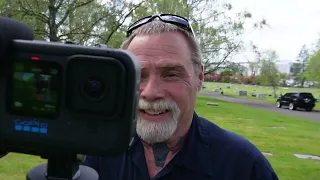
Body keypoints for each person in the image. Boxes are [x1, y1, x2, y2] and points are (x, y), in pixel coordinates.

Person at [83, 14, 279, 180]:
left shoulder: (243, 165)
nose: (151, 92)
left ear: (199, 78)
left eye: (171, 74)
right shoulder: (99, 154)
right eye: (139, 75)